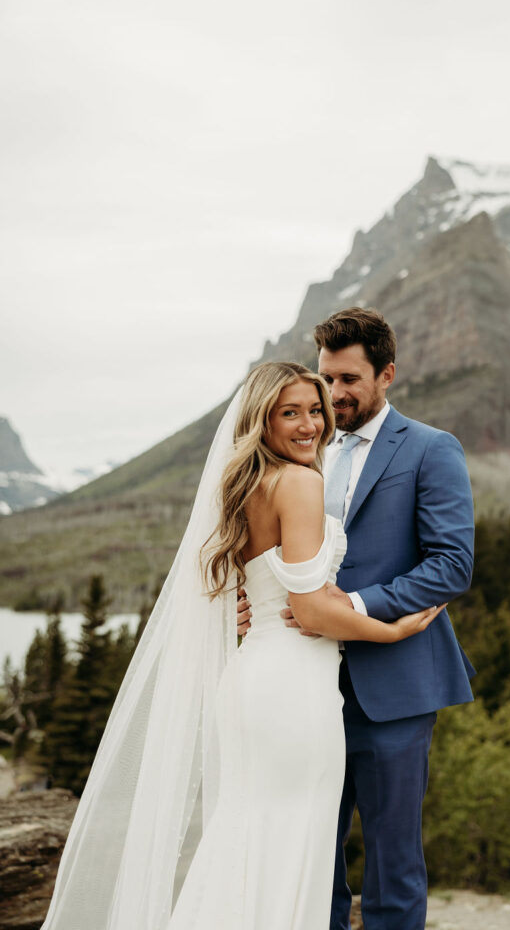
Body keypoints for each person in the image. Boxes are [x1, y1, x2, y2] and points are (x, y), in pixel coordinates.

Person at [41, 360, 443, 930]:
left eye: (314, 410)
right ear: (263, 421)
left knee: (249, 834)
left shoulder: (246, 484)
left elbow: (251, 584)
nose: (309, 425)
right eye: (290, 413)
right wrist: (391, 629)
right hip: (294, 685)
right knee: (290, 836)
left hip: (256, 675)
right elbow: (306, 608)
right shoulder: (301, 482)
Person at [238, 309, 475, 930]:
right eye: (325, 379)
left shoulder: (430, 448)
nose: (332, 395)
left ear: (386, 375)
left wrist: (355, 606)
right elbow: (274, 555)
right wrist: (251, 600)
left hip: (393, 684)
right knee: (311, 854)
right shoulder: (304, 453)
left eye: (347, 379)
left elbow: (452, 564)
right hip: (304, 689)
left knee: (393, 862)